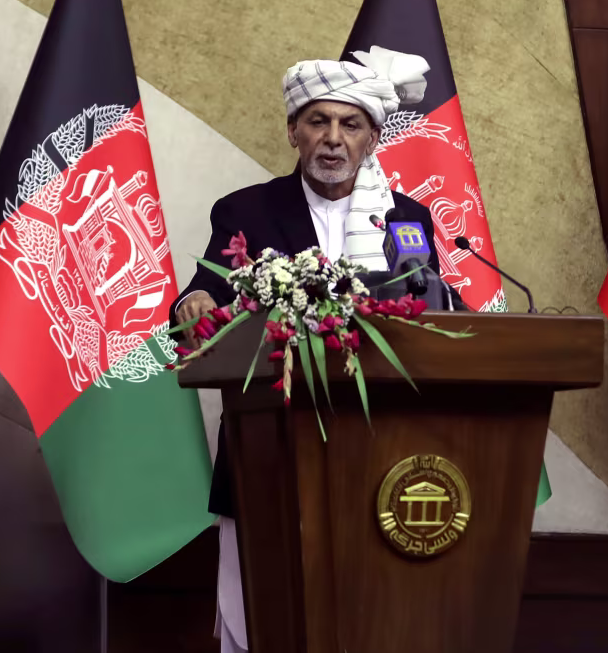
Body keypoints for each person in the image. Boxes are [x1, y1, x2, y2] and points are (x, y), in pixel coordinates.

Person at [169, 47, 455, 653]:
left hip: (382, 450)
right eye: (318, 122)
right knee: (262, 619)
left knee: (365, 616)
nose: (332, 139)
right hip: (270, 448)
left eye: (349, 124)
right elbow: (208, 292)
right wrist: (190, 305)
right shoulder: (247, 210)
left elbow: (433, 306)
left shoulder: (406, 217)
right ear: (293, 131)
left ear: (372, 137)